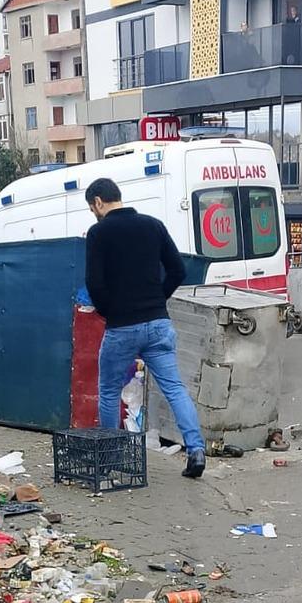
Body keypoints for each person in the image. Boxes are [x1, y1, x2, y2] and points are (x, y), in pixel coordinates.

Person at [84, 177, 206, 480]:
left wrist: (111, 312)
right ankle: (196, 450)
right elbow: (178, 269)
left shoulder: (99, 233)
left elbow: (94, 283)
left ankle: (110, 458)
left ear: (98, 202)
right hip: (159, 323)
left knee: (109, 390)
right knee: (175, 388)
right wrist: (157, 300)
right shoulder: (153, 225)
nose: (94, 214)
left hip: (122, 327)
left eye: (92, 208)